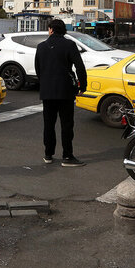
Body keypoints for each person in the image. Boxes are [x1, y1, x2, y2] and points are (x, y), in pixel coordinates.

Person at [34, 19, 87, 167]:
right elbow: (79, 66)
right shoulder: (69, 45)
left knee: (48, 124)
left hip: (47, 91)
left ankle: (48, 154)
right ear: (63, 30)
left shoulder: (41, 46)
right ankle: (67, 156)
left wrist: (45, 83)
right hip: (65, 91)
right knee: (67, 124)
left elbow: (38, 69)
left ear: (50, 30)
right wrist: (82, 86)